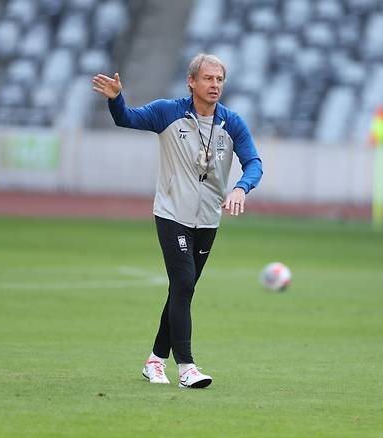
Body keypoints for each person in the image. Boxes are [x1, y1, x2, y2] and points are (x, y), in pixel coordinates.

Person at [92, 54, 263, 387]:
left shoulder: (232, 123)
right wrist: (116, 100)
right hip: (172, 213)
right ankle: (187, 367)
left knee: (182, 291)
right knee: (184, 284)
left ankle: (155, 360)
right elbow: (127, 118)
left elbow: (254, 162)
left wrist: (242, 188)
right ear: (192, 82)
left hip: (209, 219)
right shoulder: (167, 112)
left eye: (220, 80)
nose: (215, 85)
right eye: (208, 79)